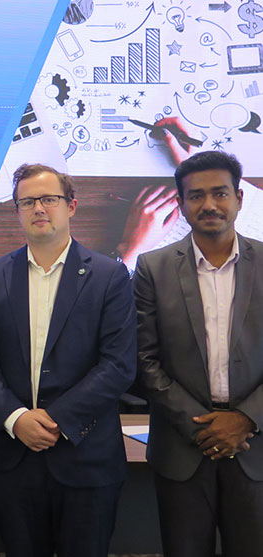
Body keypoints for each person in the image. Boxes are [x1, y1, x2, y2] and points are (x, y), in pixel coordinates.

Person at [0, 163, 136, 557]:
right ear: (17, 211)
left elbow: (118, 365)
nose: (38, 208)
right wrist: (17, 418)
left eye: (49, 199)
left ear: (71, 206)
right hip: (14, 457)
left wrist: (56, 419)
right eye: (27, 201)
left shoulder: (109, 276)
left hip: (86, 455)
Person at [134, 150, 263, 557]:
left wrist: (245, 419)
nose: (209, 204)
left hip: (255, 446)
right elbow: (144, 360)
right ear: (181, 203)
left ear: (239, 198)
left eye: (220, 193)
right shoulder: (152, 268)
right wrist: (204, 428)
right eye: (196, 195)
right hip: (182, 447)